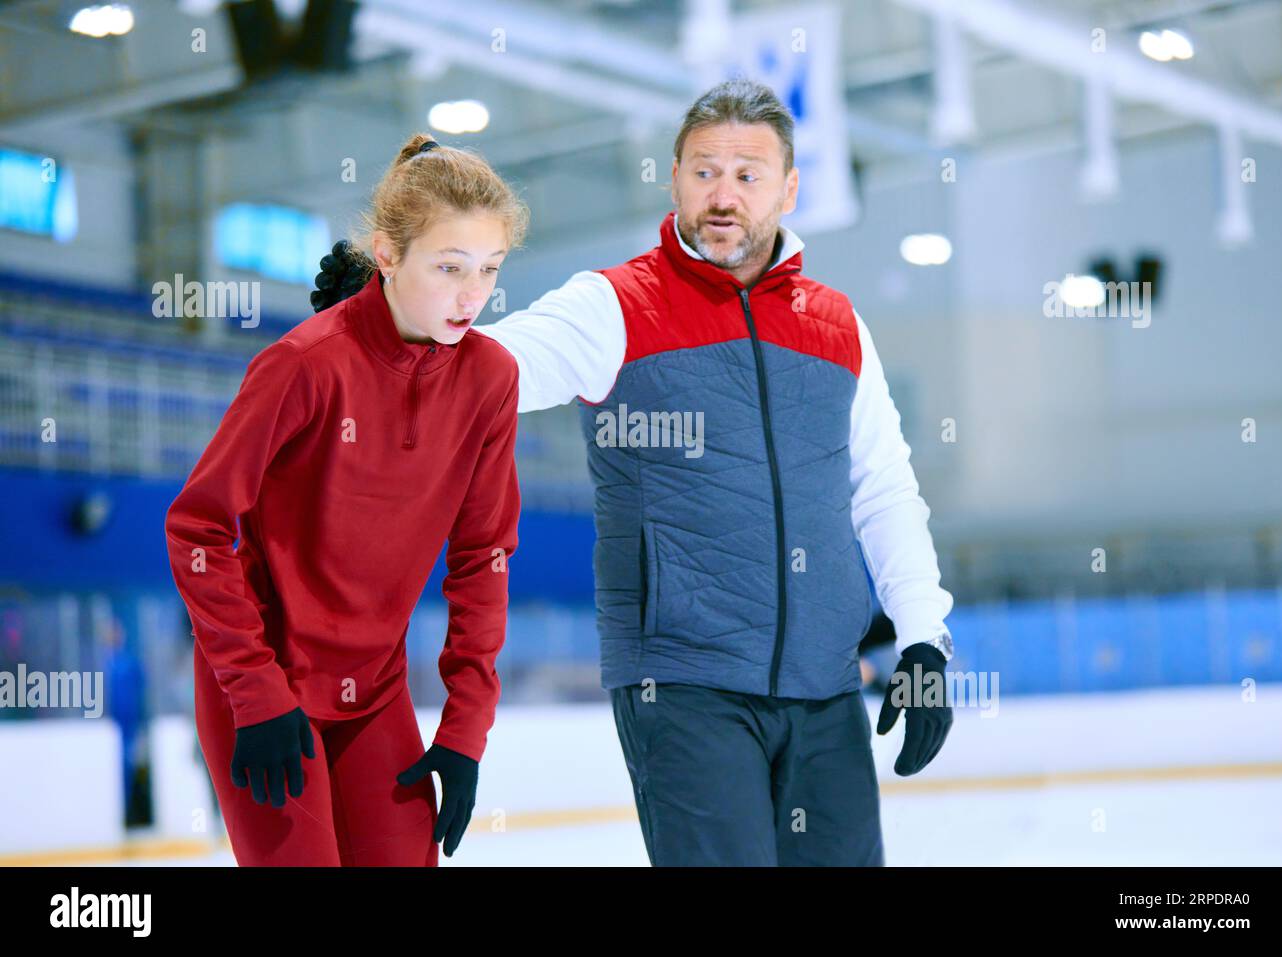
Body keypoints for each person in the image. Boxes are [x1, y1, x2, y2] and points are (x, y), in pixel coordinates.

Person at [314, 77, 956, 866]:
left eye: (748, 176)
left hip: (826, 688)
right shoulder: (614, 306)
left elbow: (884, 488)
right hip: (683, 688)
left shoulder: (838, 326)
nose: (724, 196)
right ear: (674, 177)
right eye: (703, 171)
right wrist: (386, 320)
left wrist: (924, 639)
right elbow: (481, 370)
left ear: (790, 188)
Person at [165, 134, 526, 866]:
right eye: (449, 267)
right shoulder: (302, 364)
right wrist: (255, 689)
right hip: (263, 687)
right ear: (387, 254)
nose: (471, 295)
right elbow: (197, 528)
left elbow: (482, 557)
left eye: (488, 270)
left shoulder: (491, 379)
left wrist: (463, 730)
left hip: (377, 691)